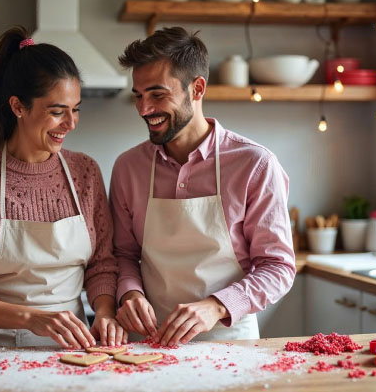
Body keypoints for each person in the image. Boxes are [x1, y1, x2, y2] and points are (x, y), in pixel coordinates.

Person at [0, 26, 125, 349]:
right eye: (57, 112)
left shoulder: (84, 172)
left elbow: (102, 263)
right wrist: (33, 318)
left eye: (75, 110)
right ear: (18, 107)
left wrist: (104, 312)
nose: (71, 124)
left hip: (70, 349)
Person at [111, 27, 296, 346]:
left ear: (197, 89)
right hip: (150, 340)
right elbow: (124, 254)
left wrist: (217, 306)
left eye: (157, 94)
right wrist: (129, 293)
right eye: (138, 96)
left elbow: (278, 267)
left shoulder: (254, 164)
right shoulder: (129, 167)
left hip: (229, 339)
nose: (144, 109)